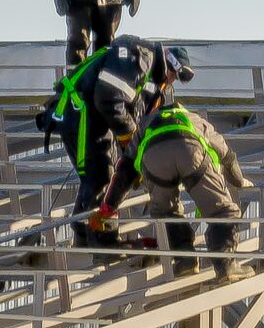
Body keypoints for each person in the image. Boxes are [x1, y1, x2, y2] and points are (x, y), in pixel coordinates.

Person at [35, 37, 192, 248]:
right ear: (169, 63)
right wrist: (130, 141)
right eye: (174, 74)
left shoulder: (149, 78)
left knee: (98, 175)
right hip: (82, 114)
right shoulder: (140, 58)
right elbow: (108, 99)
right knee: (101, 174)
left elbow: (134, 115)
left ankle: (84, 235)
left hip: (90, 116)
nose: (172, 80)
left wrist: (134, 150)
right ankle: (101, 240)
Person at [88, 99, 253, 282]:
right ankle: (225, 265)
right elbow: (227, 155)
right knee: (223, 211)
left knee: (165, 213)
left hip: (154, 161)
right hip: (190, 154)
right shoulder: (194, 119)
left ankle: (185, 260)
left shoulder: (144, 126)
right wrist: (239, 182)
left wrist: (109, 206)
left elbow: (125, 170)